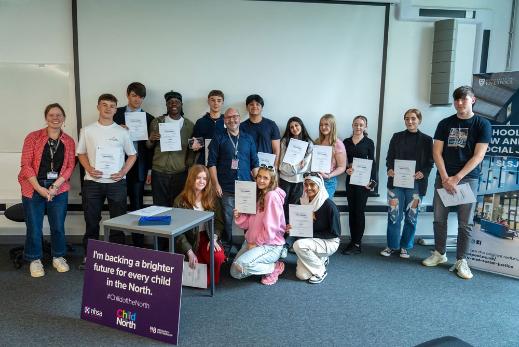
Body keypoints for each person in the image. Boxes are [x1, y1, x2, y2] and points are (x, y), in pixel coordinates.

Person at [422, 86, 491, 279]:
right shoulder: (445, 123)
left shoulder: (482, 124)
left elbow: (478, 156)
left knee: (465, 224)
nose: (459, 103)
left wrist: (457, 178)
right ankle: (439, 253)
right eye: (456, 100)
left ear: (473, 100)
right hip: (443, 178)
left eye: (464, 99)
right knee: (439, 219)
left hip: (468, 178)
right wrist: (445, 178)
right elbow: (436, 152)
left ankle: (462, 260)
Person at [77, 94, 137, 267]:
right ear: (98, 107)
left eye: (112, 106)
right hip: (92, 183)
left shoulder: (122, 131)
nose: (108, 108)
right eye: (104, 105)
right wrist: (89, 169)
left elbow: (132, 155)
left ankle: (116, 257)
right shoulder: (87, 130)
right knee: (91, 221)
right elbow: (81, 153)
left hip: (116, 184)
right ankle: (90, 256)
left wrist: (123, 172)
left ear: (115, 109)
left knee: (117, 221)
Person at [18, 103, 76, 277]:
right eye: (51, 115)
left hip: (58, 186)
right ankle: (35, 259)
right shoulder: (33, 137)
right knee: (34, 226)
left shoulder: (69, 141)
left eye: (59, 115)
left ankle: (58, 256)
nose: (55, 118)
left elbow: (70, 166)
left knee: (58, 226)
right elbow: (26, 166)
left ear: (64, 118)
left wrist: (55, 187)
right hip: (33, 186)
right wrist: (40, 189)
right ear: (46, 117)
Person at [380, 109, 433, 258]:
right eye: (407, 118)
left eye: (413, 119)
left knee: (411, 216)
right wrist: (390, 169)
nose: (410, 121)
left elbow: (430, 161)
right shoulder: (396, 137)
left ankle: (405, 246)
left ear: (419, 120)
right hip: (396, 183)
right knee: (394, 215)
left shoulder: (427, 140)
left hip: (416, 184)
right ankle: (392, 245)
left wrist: (423, 172)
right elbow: (389, 157)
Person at [207, 107, 259, 255]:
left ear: (239, 118)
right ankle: (227, 248)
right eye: (228, 117)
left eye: (235, 116)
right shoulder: (219, 138)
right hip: (226, 187)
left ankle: (248, 246)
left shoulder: (248, 138)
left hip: (246, 188)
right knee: (227, 221)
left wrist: (261, 184)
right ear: (224, 120)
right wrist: (216, 184)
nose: (232, 120)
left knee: (249, 220)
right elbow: (211, 163)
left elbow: (255, 163)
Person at [113, 82, 155, 247]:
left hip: (139, 168)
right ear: (127, 95)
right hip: (116, 167)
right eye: (134, 95)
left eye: (140, 96)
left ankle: (139, 244)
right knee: (118, 205)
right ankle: (118, 244)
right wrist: (118, 130)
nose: (137, 99)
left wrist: (150, 170)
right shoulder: (116, 115)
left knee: (138, 206)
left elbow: (150, 149)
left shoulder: (149, 118)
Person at [231, 165, 286, 285]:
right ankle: (261, 265)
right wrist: (239, 215)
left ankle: (273, 268)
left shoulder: (272, 196)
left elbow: (272, 229)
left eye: (265, 178)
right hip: (251, 242)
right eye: (259, 177)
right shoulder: (257, 194)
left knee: (241, 264)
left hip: (269, 245)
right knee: (235, 273)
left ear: (271, 180)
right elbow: (246, 224)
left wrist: (256, 244)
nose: (261, 180)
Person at [173, 165, 226, 285]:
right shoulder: (180, 201)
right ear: (191, 179)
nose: (202, 181)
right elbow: (177, 231)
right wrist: (189, 251)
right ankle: (200, 263)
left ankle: (209, 271)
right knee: (200, 281)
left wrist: (214, 238)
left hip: (207, 237)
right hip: (190, 241)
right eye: (198, 178)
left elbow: (218, 222)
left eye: (205, 178)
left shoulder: (211, 197)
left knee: (217, 258)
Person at [287, 173, 341, 284]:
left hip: (329, 242)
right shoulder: (301, 202)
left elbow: (335, 233)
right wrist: (292, 228)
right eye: (306, 185)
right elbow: (298, 226)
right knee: (301, 275)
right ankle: (321, 259)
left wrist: (308, 234)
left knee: (299, 245)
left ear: (319, 186)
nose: (308, 188)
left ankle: (321, 272)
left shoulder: (329, 206)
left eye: (312, 185)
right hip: (310, 241)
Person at [146, 91, 195, 207]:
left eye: (177, 102)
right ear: (166, 105)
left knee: (177, 206)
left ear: (181, 105)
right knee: (159, 206)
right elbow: (148, 146)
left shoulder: (189, 125)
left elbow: (191, 150)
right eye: (170, 102)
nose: (173, 104)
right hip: (159, 172)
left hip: (180, 173)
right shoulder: (157, 122)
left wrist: (188, 167)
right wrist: (151, 139)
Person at [342, 115, 376, 255]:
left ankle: (357, 243)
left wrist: (373, 181)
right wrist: (346, 169)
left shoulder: (369, 142)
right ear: (352, 125)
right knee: (352, 211)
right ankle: (352, 241)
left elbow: (372, 162)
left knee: (359, 212)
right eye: (356, 124)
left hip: (364, 184)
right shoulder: (346, 142)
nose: (358, 127)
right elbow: (342, 162)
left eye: (361, 125)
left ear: (365, 126)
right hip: (350, 181)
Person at [278, 116, 314, 220]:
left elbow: (306, 166)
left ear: (301, 126)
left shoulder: (309, 143)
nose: (294, 128)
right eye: (291, 127)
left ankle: (292, 234)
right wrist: (295, 168)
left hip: (300, 181)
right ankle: (282, 232)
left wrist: (293, 169)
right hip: (285, 180)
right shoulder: (285, 141)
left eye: (296, 125)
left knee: (296, 207)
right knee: (283, 206)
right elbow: (281, 165)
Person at [240, 94, 281, 167]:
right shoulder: (241, 126)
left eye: (257, 104)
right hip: (248, 166)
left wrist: (275, 168)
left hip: (267, 167)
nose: (254, 106)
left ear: (262, 108)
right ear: (247, 107)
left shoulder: (271, 125)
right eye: (251, 104)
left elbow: (276, 150)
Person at [314, 114, 347, 198]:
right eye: (321, 125)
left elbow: (342, 167)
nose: (323, 127)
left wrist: (328, 176)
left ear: (332, 126)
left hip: (328, 181)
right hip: (315, 179)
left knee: (325, 207)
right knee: (314, 208)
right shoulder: (317, 142)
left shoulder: (338, 144)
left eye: (326, 124)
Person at [191, 90, 226, 165]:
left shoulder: (228, 121)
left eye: (219, 100)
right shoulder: (201, 122)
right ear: (208, 102)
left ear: (222, 102)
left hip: (223, 161)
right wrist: (194, 145)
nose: (216, 103)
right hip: (204, 161)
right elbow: (193, 143)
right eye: (212, 100)